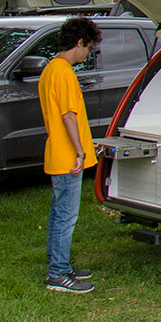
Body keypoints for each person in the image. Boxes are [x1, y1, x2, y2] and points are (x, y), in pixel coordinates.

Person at [40, 17, 103, 293]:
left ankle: (60, 265)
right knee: (67, 216)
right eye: (88, 48)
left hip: (57, 154)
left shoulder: (50, 70)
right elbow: (68, 116)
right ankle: (58, 274)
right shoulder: (64, 73)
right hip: (68, 158)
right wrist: (80, 153)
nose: (87, 54)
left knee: (58, 214)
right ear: (79, 43)